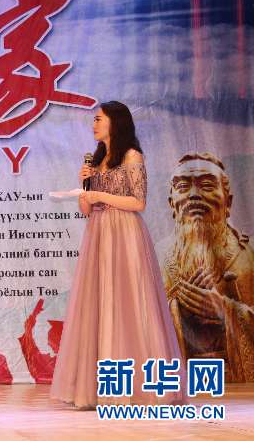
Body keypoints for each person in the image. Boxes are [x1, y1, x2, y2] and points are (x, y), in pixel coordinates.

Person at [50, 101, 185, 408]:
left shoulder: (131, 156)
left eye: (99, 119)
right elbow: (86, 209)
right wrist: (84, 187)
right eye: (94, 120)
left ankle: (140, 386)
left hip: (125, 233)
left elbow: (138, 202)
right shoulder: (96, 159)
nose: (94, 125)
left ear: (115, 122)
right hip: (98, 233)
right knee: (99, 301)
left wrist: (99, 194)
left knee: (130, 302)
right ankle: (97, 387)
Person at [163, 152, 254, 382]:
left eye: (206, 185)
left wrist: (226, 310)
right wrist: (177, 310)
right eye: (183, 187)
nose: (194, 195)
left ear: (228, 201)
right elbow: (133, 327)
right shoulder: (155, 258)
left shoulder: (250, 253)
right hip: (180, 382)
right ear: (172, 203)